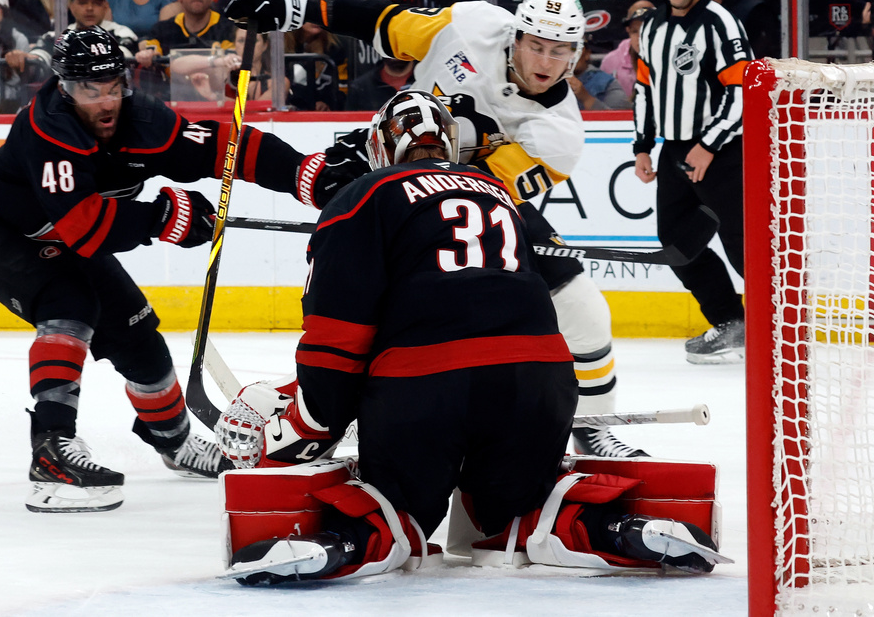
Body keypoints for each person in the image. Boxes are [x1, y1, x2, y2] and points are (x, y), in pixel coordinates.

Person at [213, 90, 726, 585]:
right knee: (521, 507)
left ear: (378, 147)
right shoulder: (499, 191)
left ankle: (337, 543)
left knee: (395, 506)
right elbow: (545, 280)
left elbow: (337, 335)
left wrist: (314, 420)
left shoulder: (359, 196)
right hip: (538, 381)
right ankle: (618, 528)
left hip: (424, 385)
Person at [223, 0, 650, 457]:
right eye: (537, 45)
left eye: (559, 51)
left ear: (575, 55)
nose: (545, 62)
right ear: (516, 36)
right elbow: (386, 25)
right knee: (342, 265)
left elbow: (479, 191)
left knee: (581, 305)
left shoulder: (559, 136)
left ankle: (593, 423)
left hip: (463, 198)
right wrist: (298, 6)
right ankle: (325, 402)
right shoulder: (473, 24)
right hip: (384, 158)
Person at [0, 26, 360, 513]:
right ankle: (50, 453)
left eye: (112, 86)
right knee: (70, 303)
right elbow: (86, 230)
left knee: (141, 339)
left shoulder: (142, 118)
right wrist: (164, 217)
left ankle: (177, 444)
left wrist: (303, 174)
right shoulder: (46, 129)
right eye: (87, 89)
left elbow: (224, 146)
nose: (104, 102)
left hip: (59, 235)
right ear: (63, 86)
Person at [633, 0, 750, 364]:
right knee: (677, 244)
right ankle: (730, 323)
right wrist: (643, 146)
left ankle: (779, 328)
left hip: (723, 152)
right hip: (674, 151)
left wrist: (709, 145)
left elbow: (740, 92)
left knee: (743, 246)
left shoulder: (720, 21)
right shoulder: (651, 26)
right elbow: (645, 89)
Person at [135, 0, 236, 100]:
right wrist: (146, 53)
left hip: (218, 102)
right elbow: (148, 47)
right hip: (172, 106)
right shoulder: (162, 30)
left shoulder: (229, 29)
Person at [13, 0, 139, 81]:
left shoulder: (122, 33)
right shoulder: (56, 36)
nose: (89, 8)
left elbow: (124, 57)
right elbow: (39, 59)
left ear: (105, 7)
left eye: (96, 3)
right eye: (83, 2)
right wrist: (24, 59)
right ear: (71, 7)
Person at [599, 0, 654, 100]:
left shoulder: (671, 56)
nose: (641, 37)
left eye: (646, 30)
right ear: (628, 30)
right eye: (635, 31)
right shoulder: (610, 61)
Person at [567, 43, 630, 110]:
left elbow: (619, 118)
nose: (571, 56)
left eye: (574, 49)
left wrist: (586, 98)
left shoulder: (608, 84)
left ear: (587, 54)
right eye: (560, 51)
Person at [344, 56, 413, 110]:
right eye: (390, 43)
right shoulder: (359, 87)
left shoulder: (422, 82)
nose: (396, 50)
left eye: (401, 43)